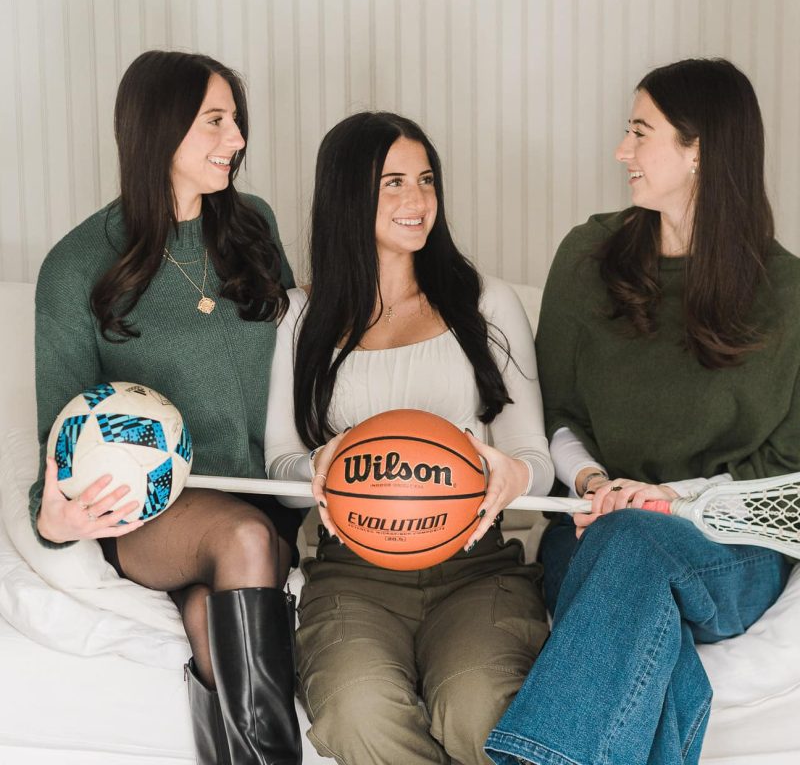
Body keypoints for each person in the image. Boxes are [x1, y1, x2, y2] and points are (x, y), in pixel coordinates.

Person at [485, 58, 800, 765]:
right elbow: (555, 414)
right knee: (627, 559)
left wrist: (667, 498)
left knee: (633, 543)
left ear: (702, 152)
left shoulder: (789, 292)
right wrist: (597, 484)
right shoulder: (588, 256)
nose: (621, 151)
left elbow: (789, 461)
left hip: (730, 540)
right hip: (594, 523)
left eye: (639, 132)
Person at [29, 50, 303, 765]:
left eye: (236, 121)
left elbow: (302, 365)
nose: (237, 139)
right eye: (216, 120)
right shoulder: (76, 266)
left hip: (266, 493)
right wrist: (54, 519)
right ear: (158, 129)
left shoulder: (254, 228)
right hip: (153, 512)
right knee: (239, 543)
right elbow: (59, 434)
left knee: (213, 608)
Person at [264, 111, 554, 764]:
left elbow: (533, 455)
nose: (417, 200)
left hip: (478, 569)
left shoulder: (486, 303)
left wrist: (514, 474)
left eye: (425, 180)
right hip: (352, 575)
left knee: (478, 707)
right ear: (346, 194)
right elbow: (280, 474)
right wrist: (319, 464)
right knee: (355, 711)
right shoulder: (299, 317)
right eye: (392, 182)